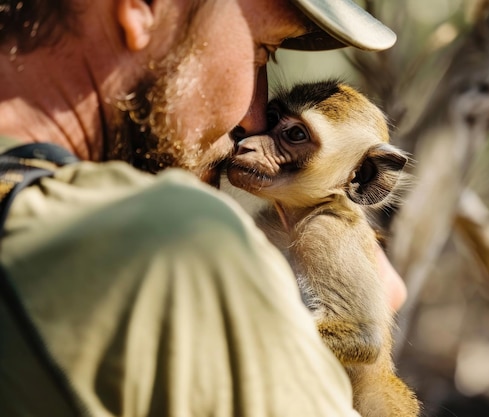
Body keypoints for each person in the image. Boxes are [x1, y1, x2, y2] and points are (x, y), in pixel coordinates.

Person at [0, 0, 406, 415]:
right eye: (262, 48)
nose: (254, 122)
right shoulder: (179, 237)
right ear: (145, 8)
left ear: (358, 178)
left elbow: (361, 339)